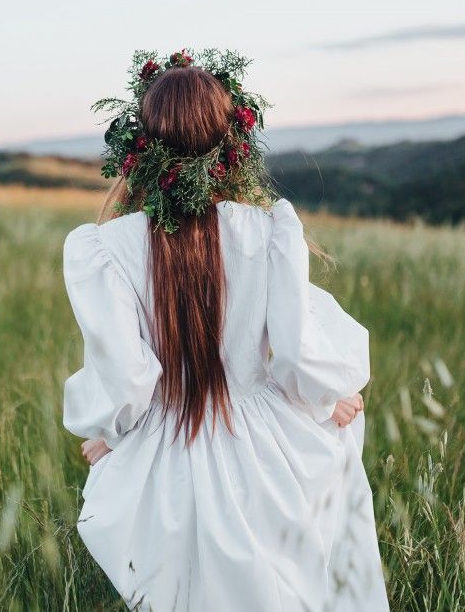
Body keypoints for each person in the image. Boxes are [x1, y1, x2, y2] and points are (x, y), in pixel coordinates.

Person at [62, 49, 388, 610]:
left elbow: (126, 383)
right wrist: (321, 397)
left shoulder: (105, 248)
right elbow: (293, 352)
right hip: (264, 450)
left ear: (140, 147)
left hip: (169, 451)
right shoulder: (268, 231)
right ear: (230, 143)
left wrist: (113, 434)